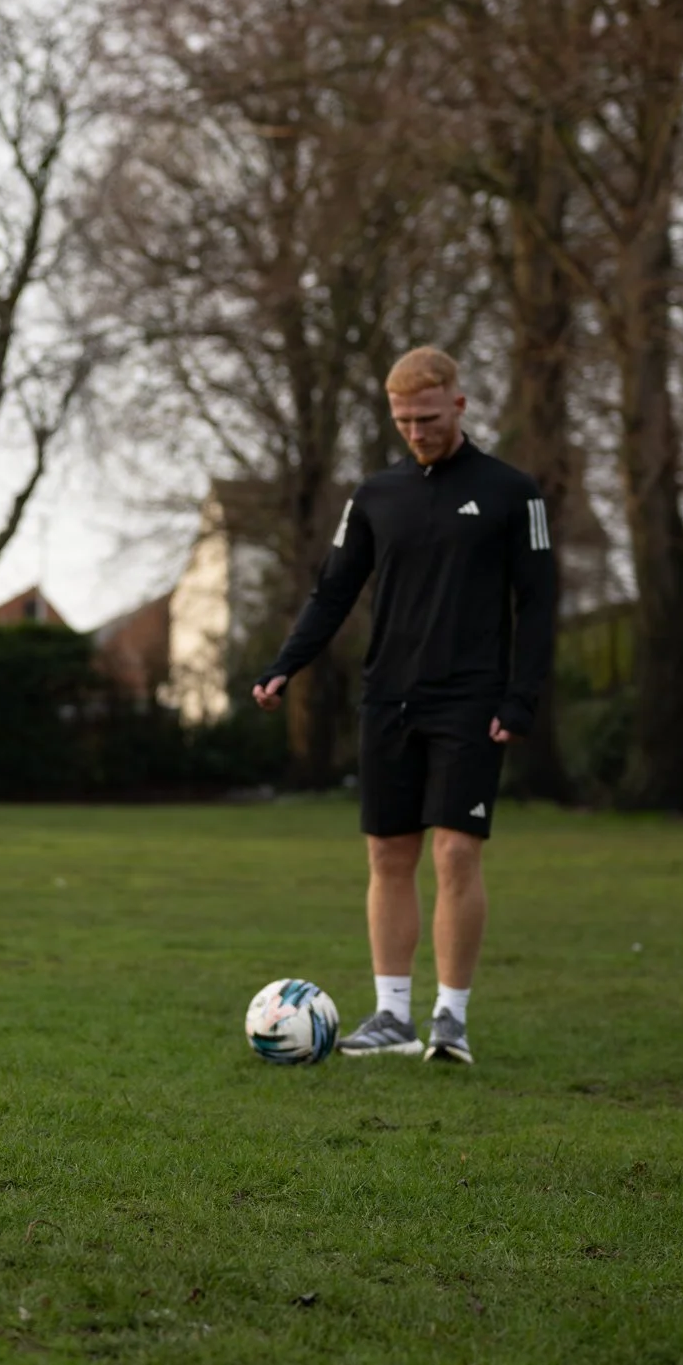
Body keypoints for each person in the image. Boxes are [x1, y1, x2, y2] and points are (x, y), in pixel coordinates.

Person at [251, 346, 553, 1066]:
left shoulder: (514, 492)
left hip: (472, 698)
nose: (415, 432)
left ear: (459, 403)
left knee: (454, 853)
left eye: (426, 417)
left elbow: (539, 605)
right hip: (387, 695)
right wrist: (285, 666)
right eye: (402, 421)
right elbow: (333, 592)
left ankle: (451, 1018)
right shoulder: (376, 495)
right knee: (388, 854)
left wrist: (522, 698)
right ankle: (392, 1018)